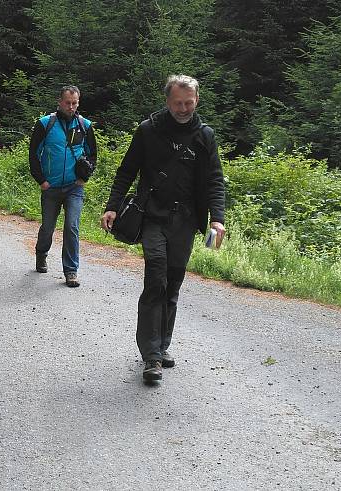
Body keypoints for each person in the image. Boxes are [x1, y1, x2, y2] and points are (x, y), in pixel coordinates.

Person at [101, 75, 225, 383]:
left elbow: (214, 180)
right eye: (177, 103)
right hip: (153, 216)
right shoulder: (148, 131)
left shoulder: (204, 136)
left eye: (189, 103)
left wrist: (217, 218)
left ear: (196, 101)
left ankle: (163, 345)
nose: (183, 108)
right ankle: (151, 356)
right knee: (156, 278)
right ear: (167, 101)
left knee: (172, 284)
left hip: (185, 222)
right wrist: (112, 205)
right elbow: (127, 170)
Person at [29, 85, 97, 288]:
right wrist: (41, 180)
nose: (71, 106)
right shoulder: (45, 124)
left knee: (72, 226)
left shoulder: (84, 125)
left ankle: (71, 271)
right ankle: (41, 253)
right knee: (48, 227)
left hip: (74, 187)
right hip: (50, 187)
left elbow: (92, 154)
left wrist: (84, 178)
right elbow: (34, 154)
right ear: (59, 102)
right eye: (67, 102)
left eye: (74, 103)